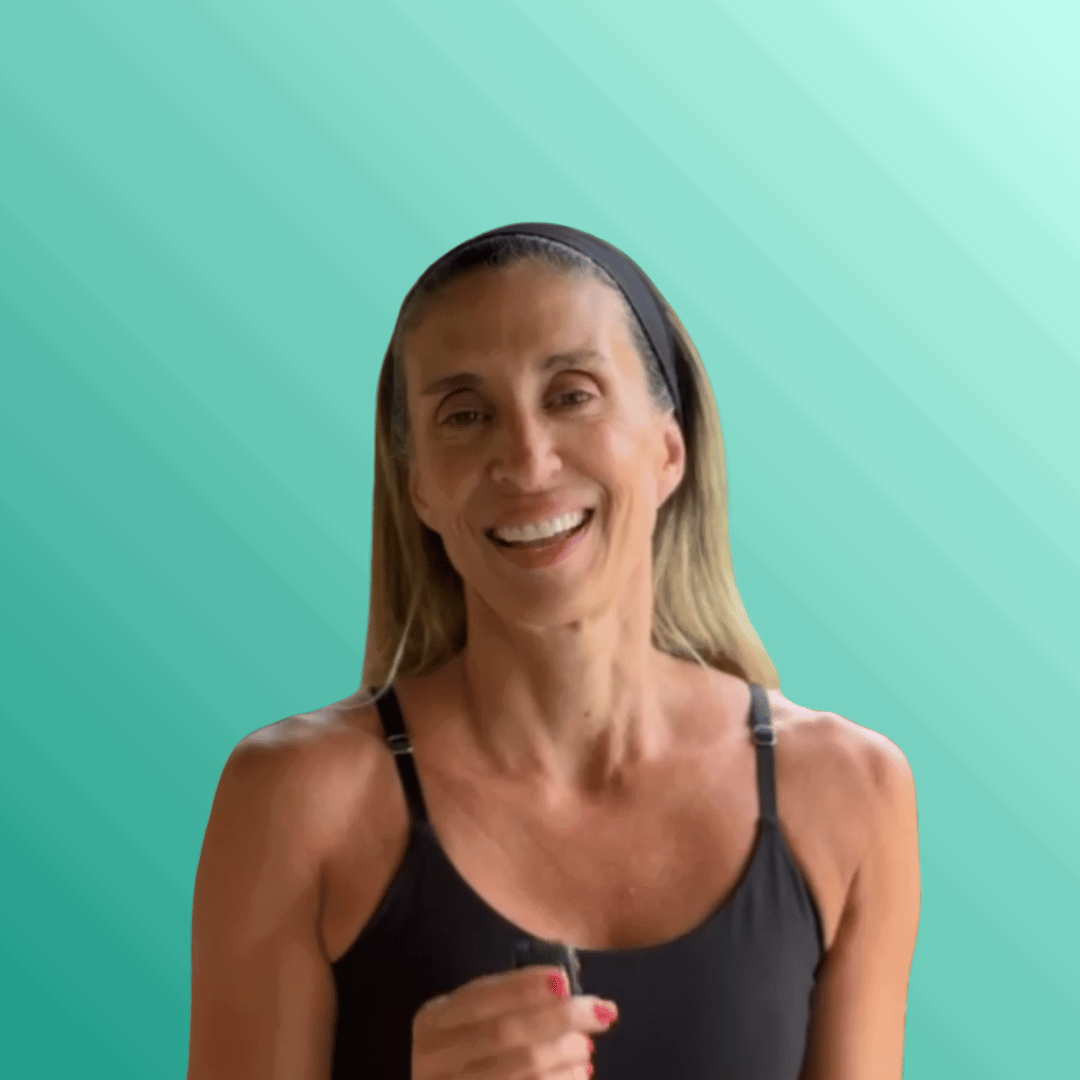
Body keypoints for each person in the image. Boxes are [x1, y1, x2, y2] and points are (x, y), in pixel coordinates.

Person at [186, 225, 921, 1079]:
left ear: (669, 449)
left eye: (572, 395)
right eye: (466, 415)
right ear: (419, 486)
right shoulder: (295, 801)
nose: (528, 461)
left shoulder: (849, 793)